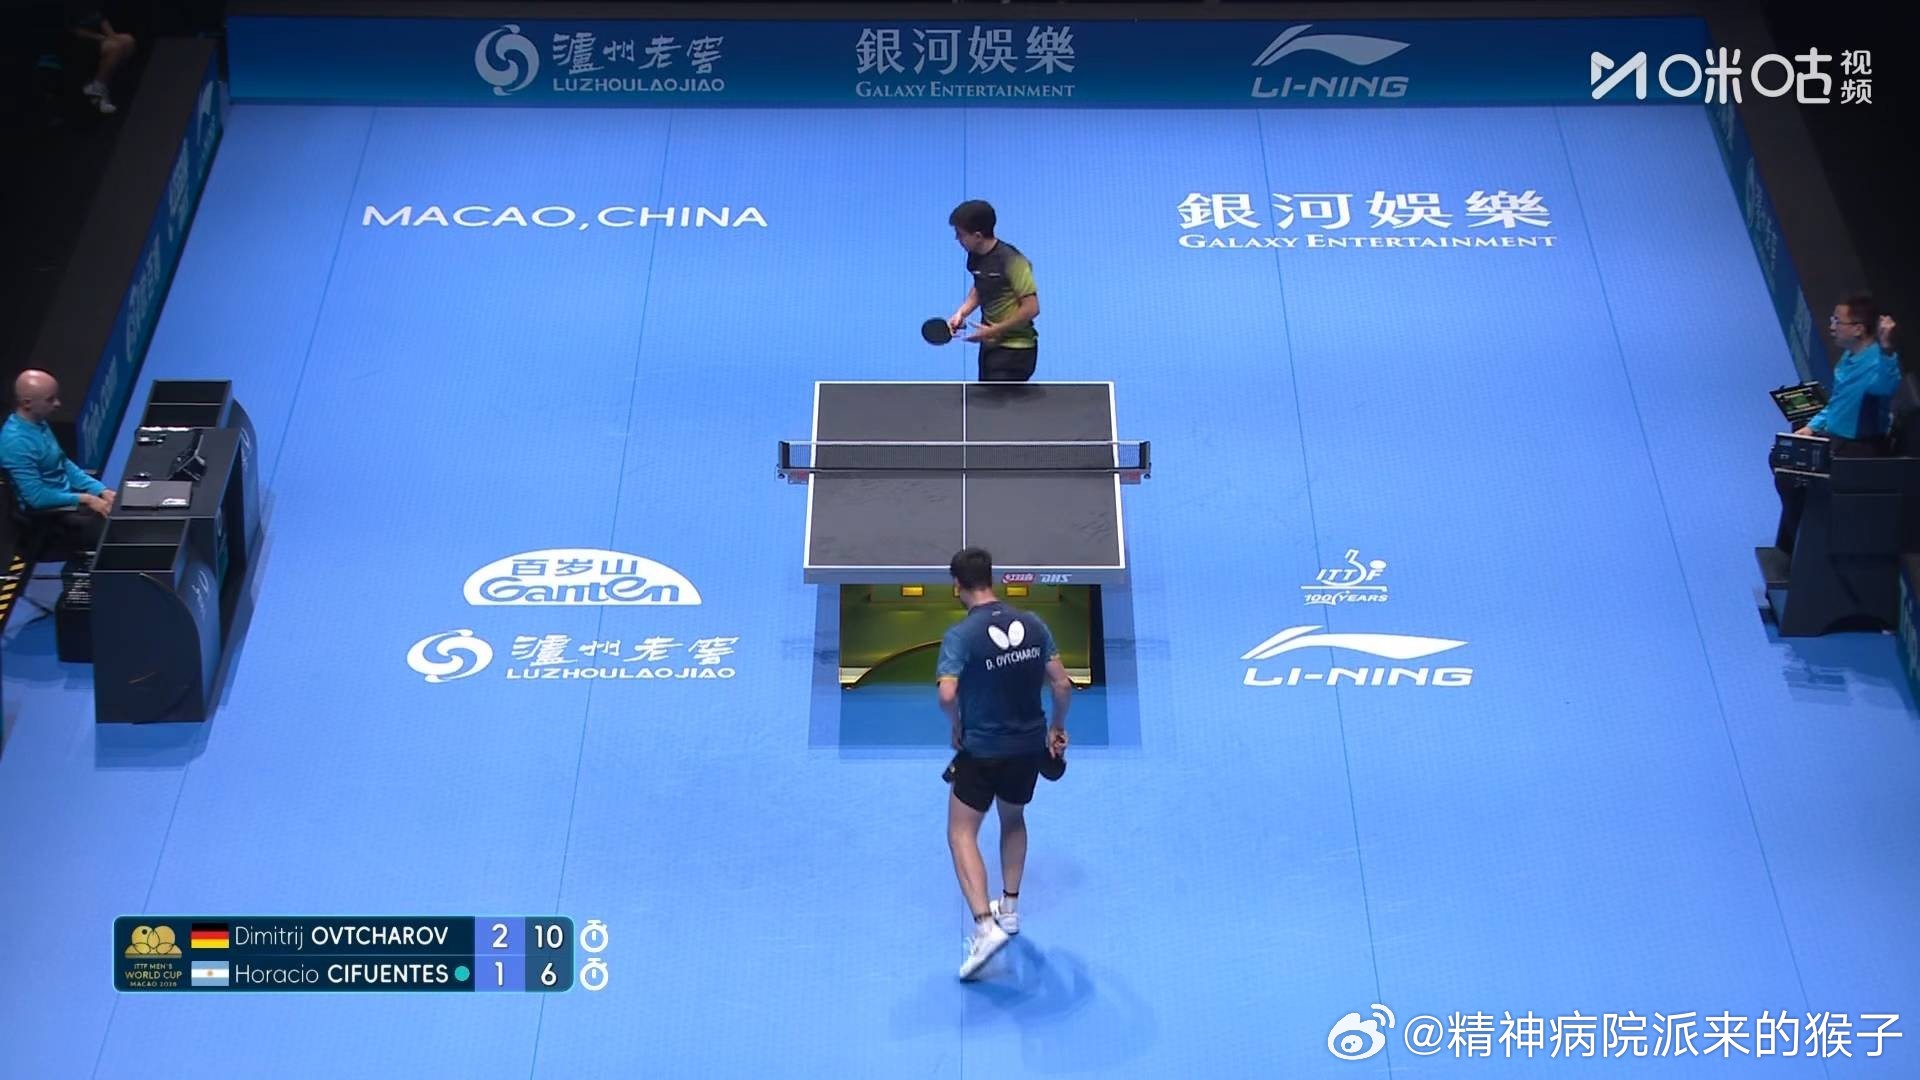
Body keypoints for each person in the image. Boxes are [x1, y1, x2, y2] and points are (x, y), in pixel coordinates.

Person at [936, 546, 1071, 980]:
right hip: (1027, 746)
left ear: (957, 586)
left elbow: (947, 694)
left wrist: (956, 725)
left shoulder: (961, 636)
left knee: (961, 833)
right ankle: (1009, 909)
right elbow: (1062, 684)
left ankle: (984, 926)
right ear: (991, 579)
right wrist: (1056, 727)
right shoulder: (1034, 624)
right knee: (1013, 818)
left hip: (982, 749)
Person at [1774, 300, 1901, 550]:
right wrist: (1812, 426)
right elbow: (1837, 402)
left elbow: (1886, 386)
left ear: (1858, 329)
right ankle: (1794, 545)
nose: (1831, 326)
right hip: (1835, 437)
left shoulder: (1878, 363)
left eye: (1837, 321)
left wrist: (1887, 349)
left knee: (1789, 476)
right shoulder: (1850, 355)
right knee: (1786, 453)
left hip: (1857, 451)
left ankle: (1805, 548)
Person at [1, 370, 115, 552]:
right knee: (117, 534)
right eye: (50, 399)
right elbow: (37, 498)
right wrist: (86, 499)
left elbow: (63, 463)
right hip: (52, 521)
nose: (57, 404)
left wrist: (99, 490)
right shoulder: (16, 443)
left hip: (71, 504)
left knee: (122, 512)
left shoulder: (38, 422)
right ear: (27, 403)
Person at [945, 200, 1041, 383]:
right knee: (986, 393)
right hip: (990, 343)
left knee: (998, 400)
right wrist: (961, 312)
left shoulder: (1013, 261)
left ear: (978, 236)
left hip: (1016, 349)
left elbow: (1032, 308)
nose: (957, 239)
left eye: (960, 234)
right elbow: (981, 285)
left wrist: (994, 331)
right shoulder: (974, 256)